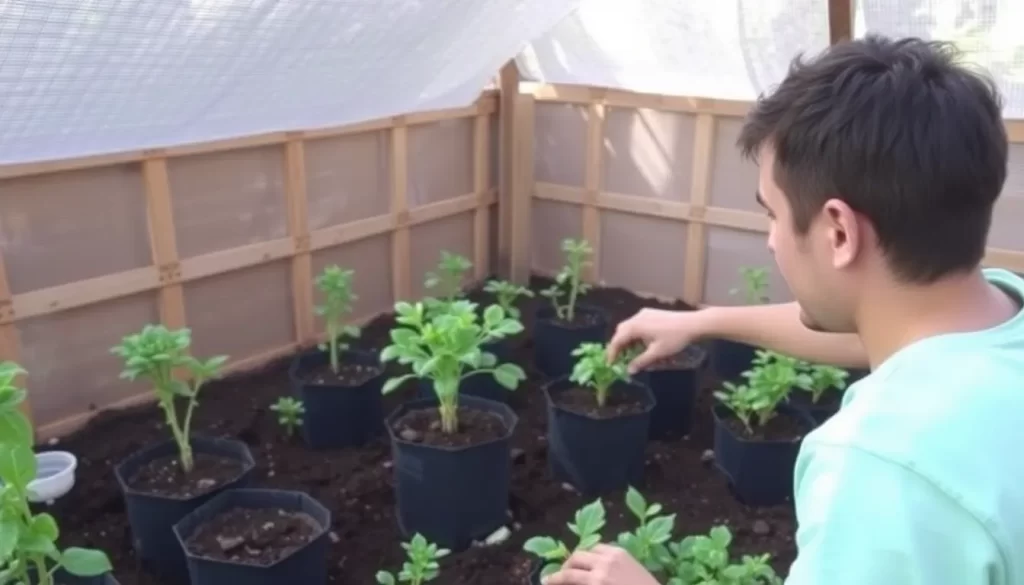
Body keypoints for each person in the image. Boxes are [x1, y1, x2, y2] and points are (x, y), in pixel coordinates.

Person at [540, 34, 1024, 585]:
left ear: (838, 232)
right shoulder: (999, 316)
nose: (771, 240)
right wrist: (702, 321)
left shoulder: (886, 467)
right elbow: (866, 336)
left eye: (772, 214)